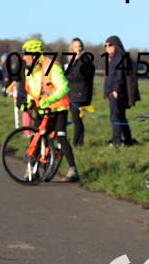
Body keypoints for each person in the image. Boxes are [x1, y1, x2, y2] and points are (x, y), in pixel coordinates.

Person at [21, 39, 80, 183]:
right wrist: (28, 103)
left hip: (58, 108)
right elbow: (31, 90)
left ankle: (72, 170)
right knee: (36, 137)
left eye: (26, 54)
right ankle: (32, 171)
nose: (23, 58)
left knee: (60, 136)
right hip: (42, 109)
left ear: (34, 55)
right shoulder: (29, 71)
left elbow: (64, 87)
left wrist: (49, 100)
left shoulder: (52, 67)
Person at [103, 35, 139, 147]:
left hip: (117, 93)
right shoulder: (112, 58)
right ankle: (128, 140)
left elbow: (119, 76)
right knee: (121, 116)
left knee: (115, 117)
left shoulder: (119, 58)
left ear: (116, 45)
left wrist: (115, 90)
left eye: (110, 45)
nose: (107, 47)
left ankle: (117, 141)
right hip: (114, 93)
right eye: (105, 46)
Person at [65, 38, 95, 147]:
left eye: (80, 46)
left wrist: (66, 76)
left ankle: (76, 143)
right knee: (77, 120)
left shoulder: (84, 60)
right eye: (76, 46)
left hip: (80, 94)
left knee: (77, 120)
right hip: (73, 93)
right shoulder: (74, 61)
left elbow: (78, 76)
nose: (78, 48)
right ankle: (78, 143)